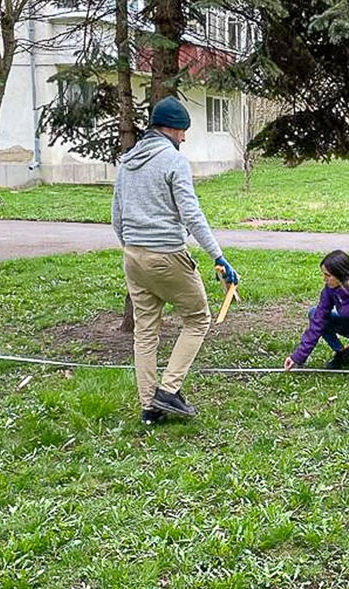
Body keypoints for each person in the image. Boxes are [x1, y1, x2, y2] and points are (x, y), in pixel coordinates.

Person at [112, 96, 238, 424]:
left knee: (145, 331)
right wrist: (218, 256)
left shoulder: (127, 161)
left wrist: (133, 247)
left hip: (133, 256)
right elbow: (191, 214)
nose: (184, 138)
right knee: (198, 319)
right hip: (167, 255)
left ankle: (149, 408)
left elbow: (116, 215)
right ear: (171, 129)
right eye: (183, 132)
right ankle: (168, 389)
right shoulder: (173, 160)